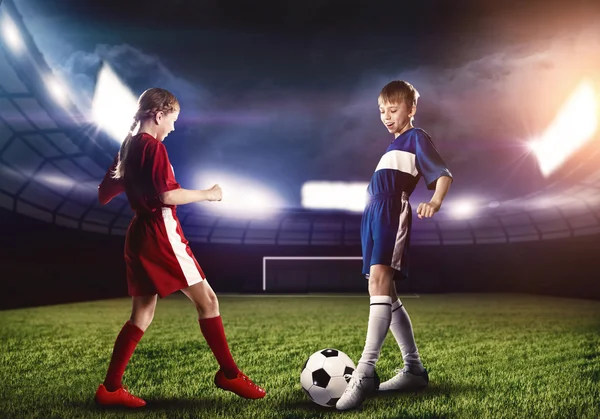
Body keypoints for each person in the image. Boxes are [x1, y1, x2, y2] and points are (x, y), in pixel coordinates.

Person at [95, 87, 266, 408]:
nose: (172, 128)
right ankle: (229, 375)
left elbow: (104, 193)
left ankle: (110, 389)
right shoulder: (153, 148)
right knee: (208, 301)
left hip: (138, 236)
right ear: (158, 115)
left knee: (142, 315)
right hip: (161, 233)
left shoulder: (128, 147)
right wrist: (209, 194)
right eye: (171, 120)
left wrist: (128, 174)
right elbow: (166, 197)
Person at [337, 80, 453, 411]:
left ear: (411, 109)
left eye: (394, 109)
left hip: (390, 210)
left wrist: (436, 201)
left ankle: (364, 373)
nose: (387, 116)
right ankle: (413, 370)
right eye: (382, 111)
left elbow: (443, 174)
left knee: (379, 283)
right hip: (373, 213)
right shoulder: (394, 145)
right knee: (387, 292)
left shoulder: (417, 137)